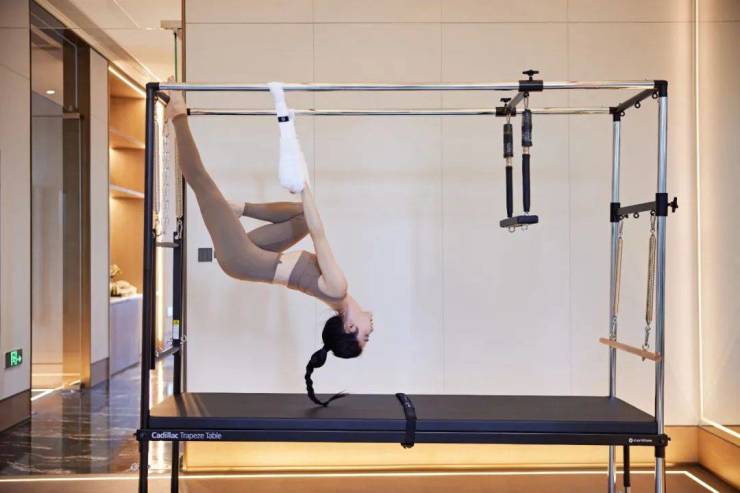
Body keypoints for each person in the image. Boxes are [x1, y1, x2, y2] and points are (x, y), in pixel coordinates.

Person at [164, 84, 373, 406]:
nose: (370, 331)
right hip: (259, 255)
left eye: (364, 335)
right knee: (302, 217)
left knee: (201, 181)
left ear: (348, 326)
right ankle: (240, 209)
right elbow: (310, 226)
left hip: (241, 258)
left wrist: (304, 186)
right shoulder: (337, 299)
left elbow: (319, 234)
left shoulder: (338, 289)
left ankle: (177, 114)